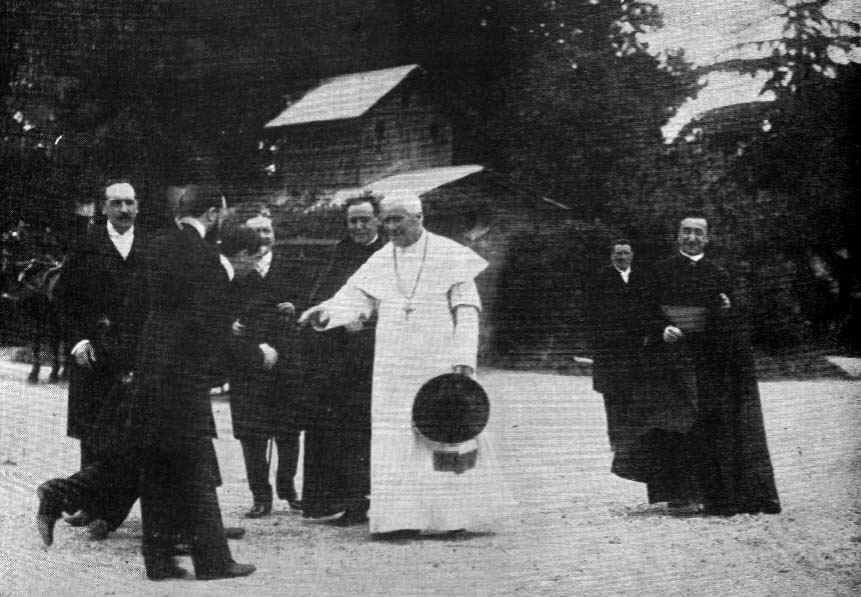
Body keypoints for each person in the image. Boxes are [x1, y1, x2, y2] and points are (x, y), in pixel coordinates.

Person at [35, 222, 258, 554]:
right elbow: (194, 331)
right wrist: (252, 354)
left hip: (159, 374)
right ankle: (184, 529)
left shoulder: (181, 265)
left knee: (152, 455)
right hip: (164, 378)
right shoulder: (207, 271)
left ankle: (80, 500)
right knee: (154, 455)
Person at [299, 190, 506, 537]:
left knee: (444, 437)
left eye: (397, 219)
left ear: (419, 218)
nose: (390, 227)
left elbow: (467, 311)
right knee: (394, 438)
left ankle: (452, 518)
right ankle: (400, 519)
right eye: (387, 220)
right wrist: (325, 313)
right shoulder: (382, 259)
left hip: (437, 361)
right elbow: (355, 297)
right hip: (393, 364)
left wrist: (463, 359)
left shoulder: (450, 254)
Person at [132, 185, 256, 580]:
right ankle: (213, 561)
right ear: (214, 214)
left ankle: (159, 561)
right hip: (184, 376)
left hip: (152, 368)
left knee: (155, 467)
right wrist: (243, 359)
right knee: (196, 468)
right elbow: (210, 324)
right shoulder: (207, 258)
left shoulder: (154, 245)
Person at [647, 215, 781, 516]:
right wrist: (661, 329)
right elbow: (644, 309)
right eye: (686, 232)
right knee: (673, 422)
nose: (691, 237)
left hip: (707, 358)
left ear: (707, 239)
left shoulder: (719, 274)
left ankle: (714, 494)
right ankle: (678, 495)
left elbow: (732, 319)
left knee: (710, 423)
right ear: (677, 236)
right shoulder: (659, 271)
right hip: (669, 358)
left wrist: (726, 311)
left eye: (697, 233)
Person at [58, 180, 148, 535]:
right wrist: (78, 341)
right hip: (95, 352)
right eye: (116, 203)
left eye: (129, 203)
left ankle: (109, 513)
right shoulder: (86, 247)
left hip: (136, 353)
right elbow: (65, 299)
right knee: (93, 430)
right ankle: (89, 501)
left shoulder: (151, 247)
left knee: (128, 432)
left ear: (138, 206)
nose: (124, 210)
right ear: (104, 208)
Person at [300, 194, 384, 523]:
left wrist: (368, 322)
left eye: (365, 220)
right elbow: (324, 296)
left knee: (366, 427)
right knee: (335, 426)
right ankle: (329, 499)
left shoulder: (387, 254)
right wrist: (326, 315)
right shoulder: (341, 252)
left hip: (375, 354)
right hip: (340, 357)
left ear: (377, 220)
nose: (359, 227)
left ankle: (363, 499)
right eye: (353, 221)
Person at [227, 213, 302, 518]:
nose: (263, 237)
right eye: (256, 232)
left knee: (289, 428)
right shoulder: (234, 271)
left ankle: (288, 487)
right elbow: (221, 310)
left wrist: (295, 308)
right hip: (247, 359)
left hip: (286, 358)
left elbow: (309, 301)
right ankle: (260, 494)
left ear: (275, 234)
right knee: (251, 430)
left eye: (267, 231)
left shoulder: (292, 266)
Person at [586, 239, 670, 452]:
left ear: (632, 255)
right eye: (618, 254)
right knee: (613, 397)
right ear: (611, 256)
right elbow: (591, 314)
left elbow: (651, 310)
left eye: (625, 253)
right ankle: (616, 440)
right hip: (610, 351)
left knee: (636, 396)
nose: (621, 257)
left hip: (636, 350)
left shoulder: (642, 278)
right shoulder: (600, 279)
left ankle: (634, 440)